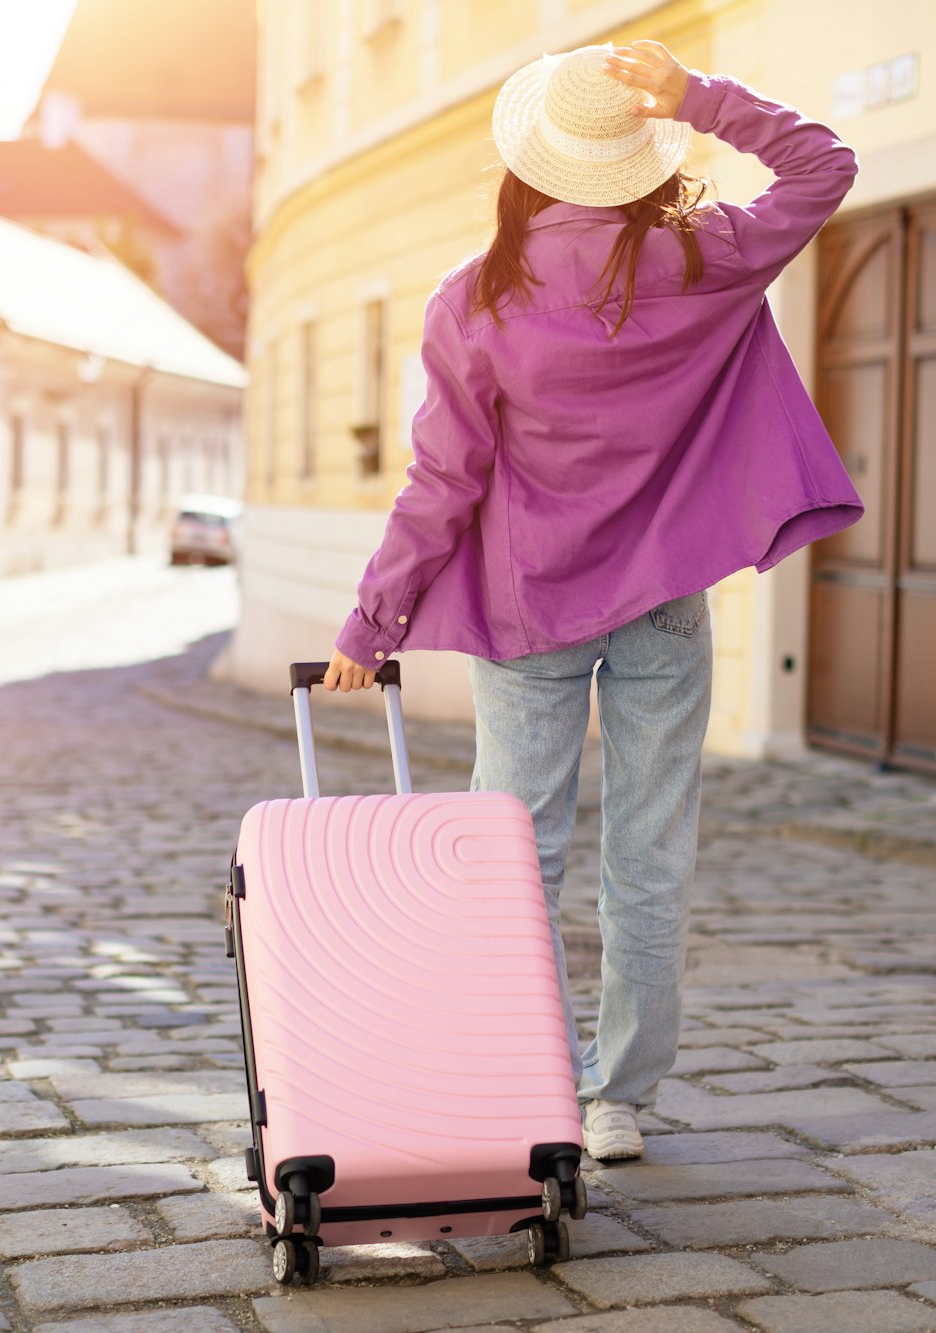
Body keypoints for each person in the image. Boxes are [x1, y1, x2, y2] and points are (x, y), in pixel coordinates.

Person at [322, 40, 861, 1161]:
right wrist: (697, 98)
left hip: (530, 612)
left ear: (526, 167)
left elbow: (443, 480)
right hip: (664, 600)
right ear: (639, 163)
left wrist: (371, 629)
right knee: (649, 859)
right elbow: (820, 167)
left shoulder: (474, 299)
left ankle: (516, 1082)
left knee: (513, 857)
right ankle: (614, 1100)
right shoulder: (702, 258)